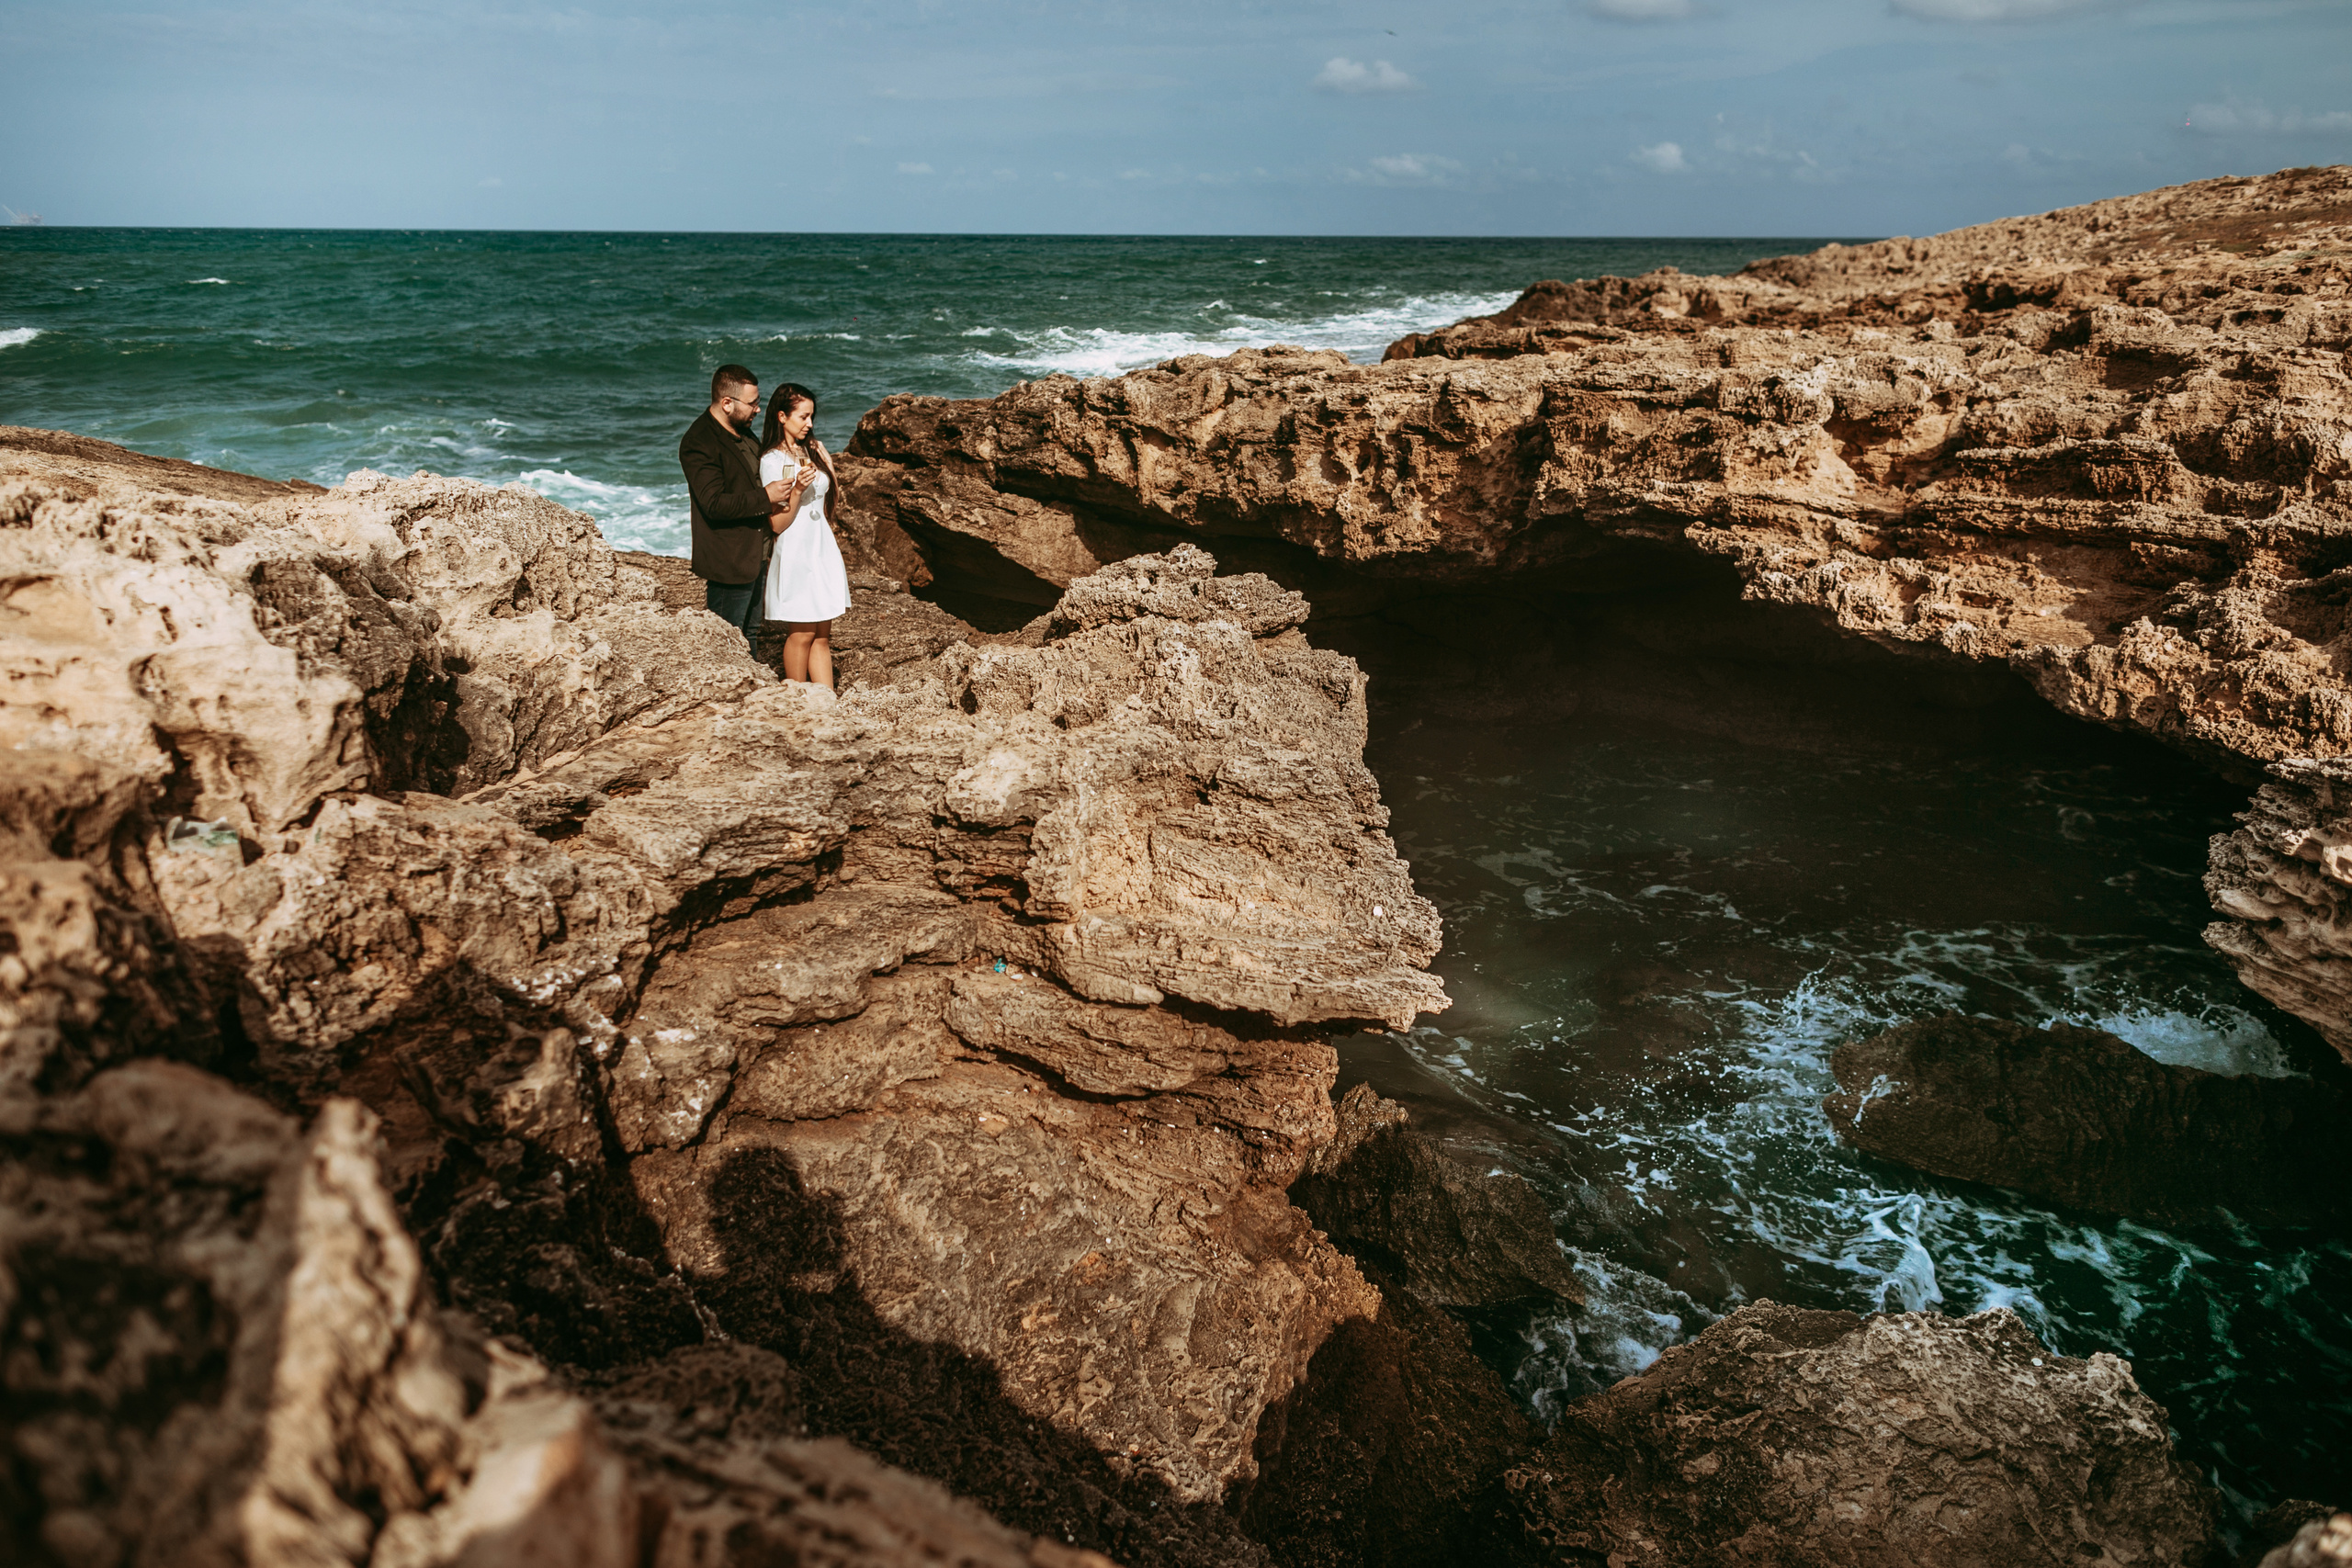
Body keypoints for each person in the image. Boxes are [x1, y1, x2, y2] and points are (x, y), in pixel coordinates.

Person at [679, 365, 797, 648]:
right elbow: (714, 503)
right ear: (727, 403)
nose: (758, 409)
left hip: (757, 553)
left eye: (759, 401)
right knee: (726, 643)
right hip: (729, 562)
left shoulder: (743, 431)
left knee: (751, 633)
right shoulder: (699, 442)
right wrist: (765, 497)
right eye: (752, 403)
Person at [757, 383, 851, 688]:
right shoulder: (771, 460)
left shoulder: (810, 450)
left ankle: (827, 704)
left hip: (821, 546)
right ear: (782, 416)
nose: (809, 424)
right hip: (796, 549)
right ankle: (795, 700)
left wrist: (831, 468)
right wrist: (797, 489)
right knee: (802, 633)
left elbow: (829, 503)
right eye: (803, 417)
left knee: (822, 636)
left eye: (812, 417)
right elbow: (777, 524)